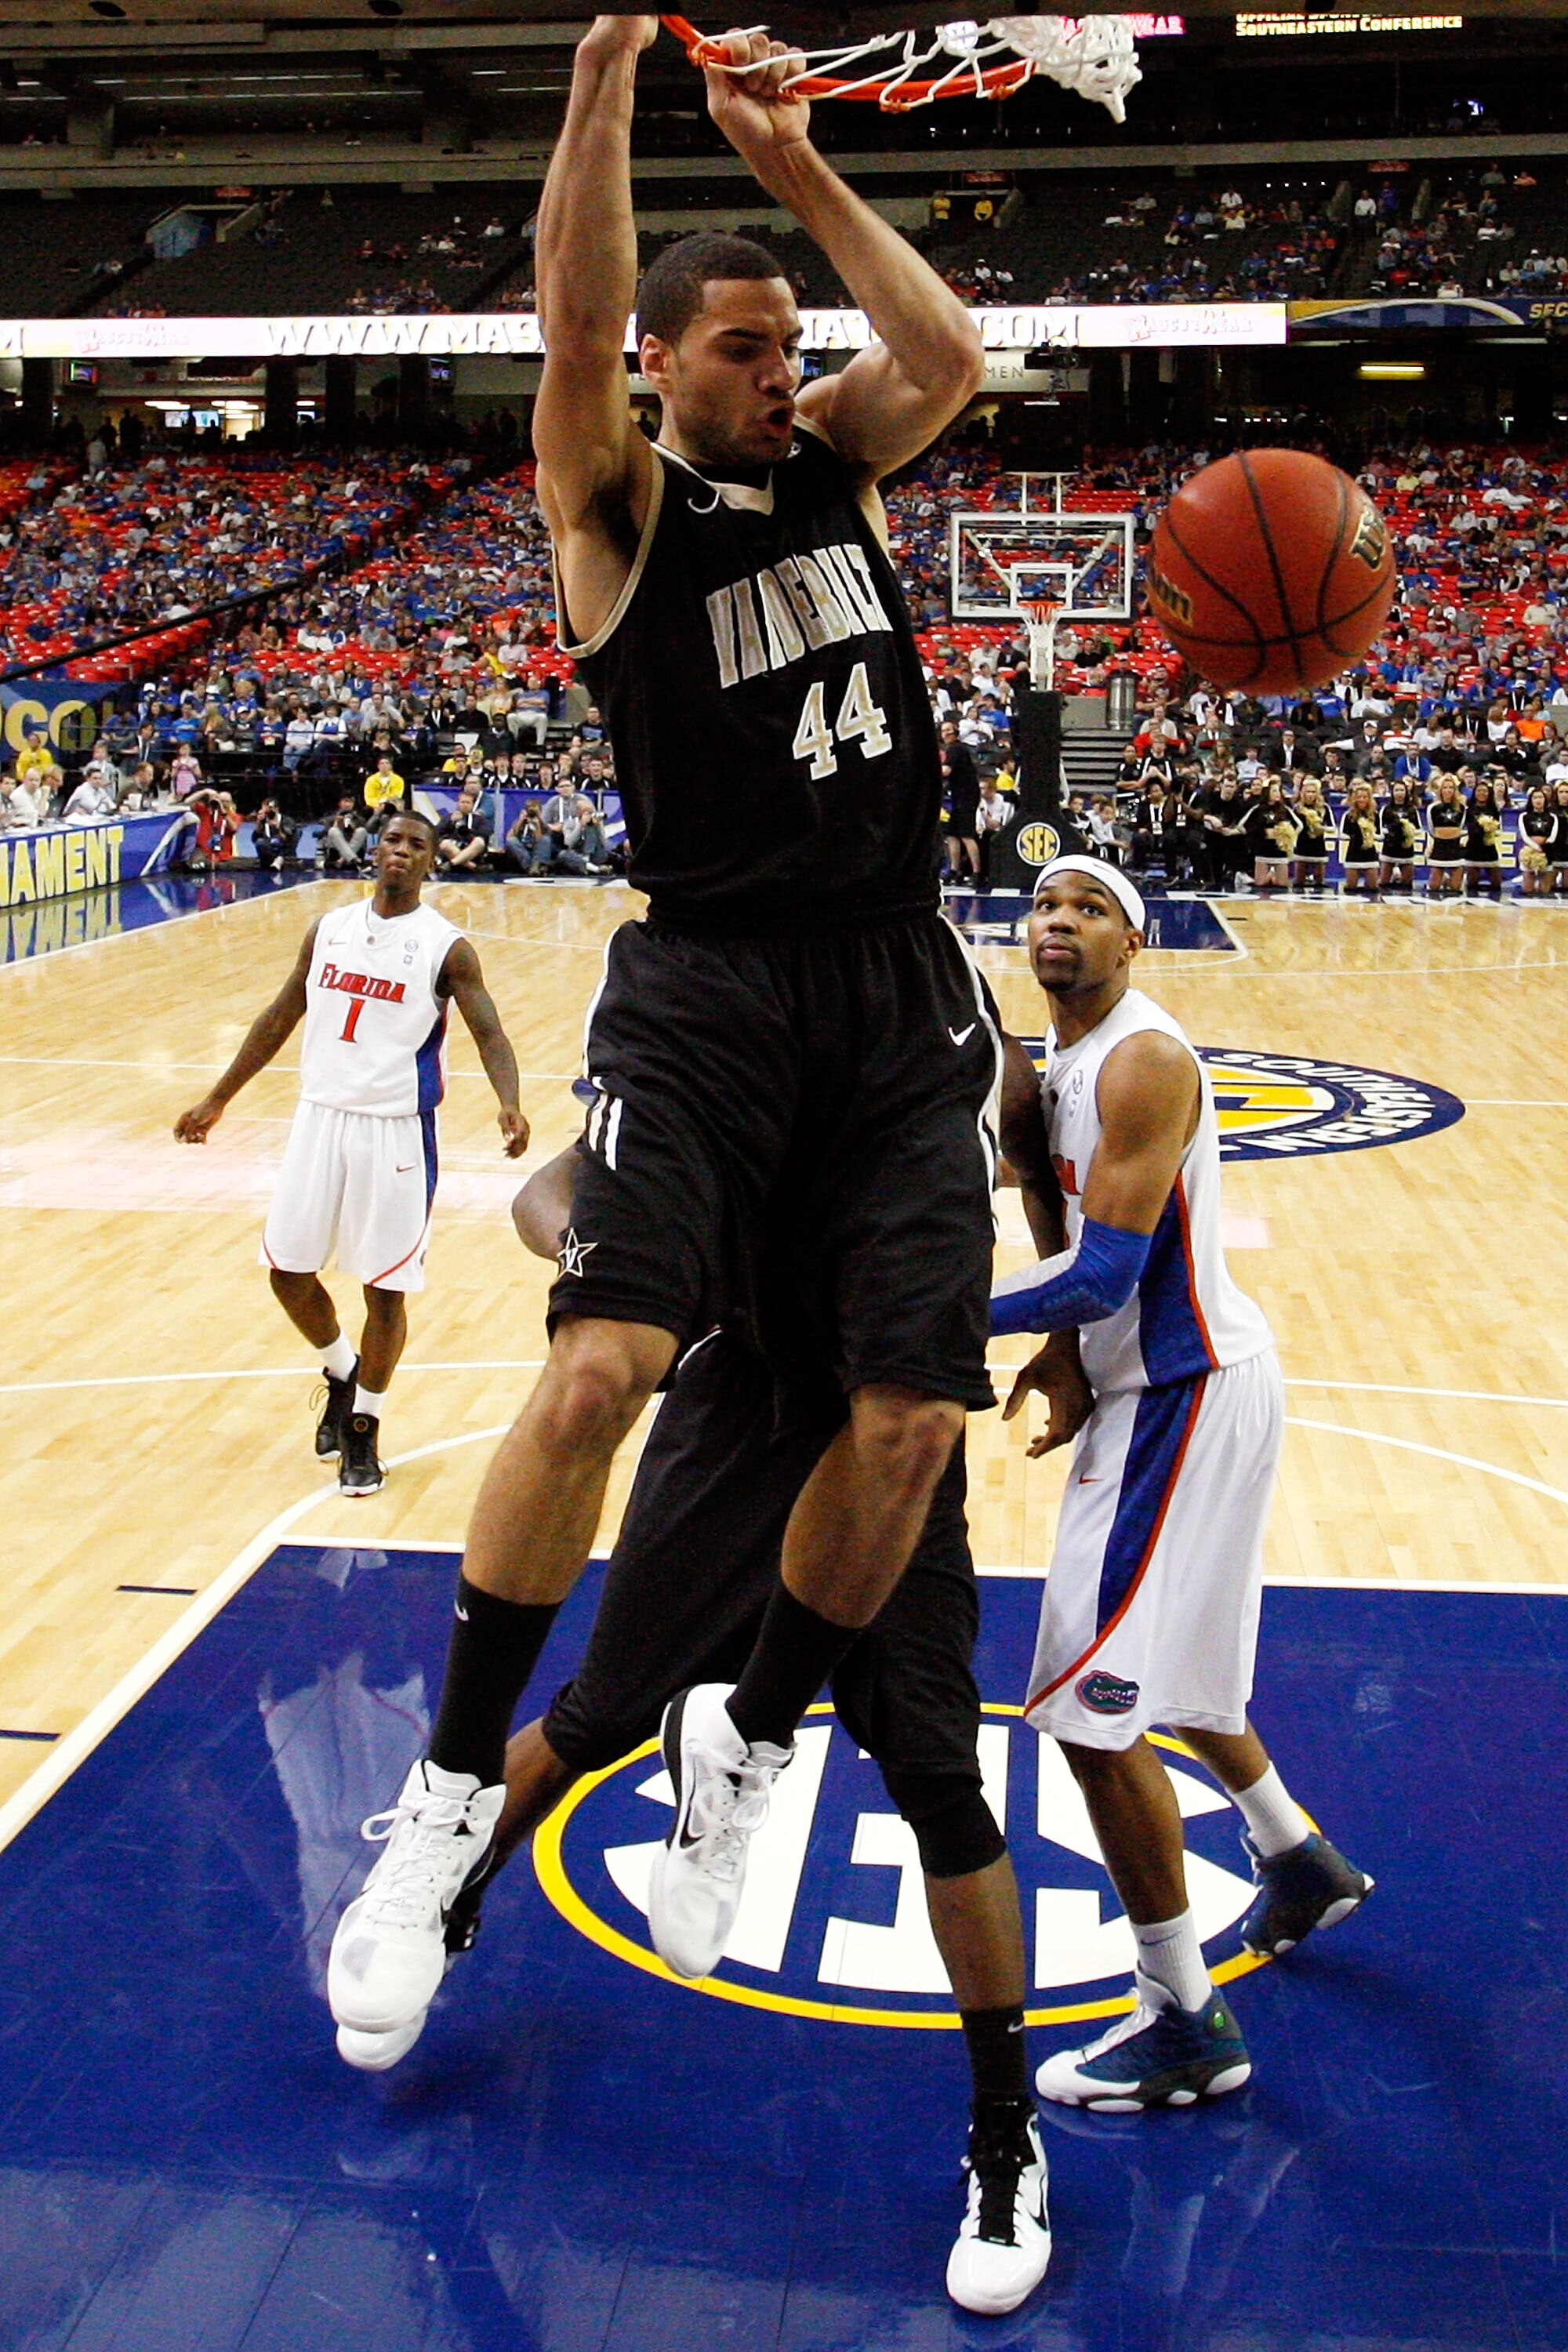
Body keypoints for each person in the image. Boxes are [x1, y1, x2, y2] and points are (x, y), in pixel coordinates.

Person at [328, 8, 1003, 2168]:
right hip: (705, 993)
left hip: (896, 996)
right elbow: (573, 296)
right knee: (601, 1367)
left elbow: (954, 354)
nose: (776, 373)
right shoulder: (616, 509)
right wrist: (613, 75)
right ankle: (447, 1797)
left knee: (908, 1422)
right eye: (737, 349)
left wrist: (791, 163)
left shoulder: (836, 466)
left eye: (782, 345)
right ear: (659, 369)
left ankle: (762, 1736)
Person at [334, 1128, 1054, 2316]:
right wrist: (618, 1265)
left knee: (940, 1777)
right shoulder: (745, 1020)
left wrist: (1069, 1332)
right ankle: (441, 1888)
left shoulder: (960, 1040)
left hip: (889, 1438)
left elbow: (1043, 1168)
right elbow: (554, 1187)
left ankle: (1005, 2135)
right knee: (596, 1715)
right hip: (736, 1413)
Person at [992, 856, 1373, 2110]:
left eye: (1092, 909)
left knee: (1089, 1715)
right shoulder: (1056, 1072)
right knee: (1177, 1670)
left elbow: (1103, 1276)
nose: (1062, 921)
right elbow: (1072, 1257)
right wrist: (1054, 1353)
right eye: (1047, 903)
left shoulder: (1144, 1061)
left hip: (1184, 1394)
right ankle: (1294, 1856)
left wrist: (924, 1316)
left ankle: (1184, 2019)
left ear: (1135, 943)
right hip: (1181, 1384)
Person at [173, 811, 528, 1497]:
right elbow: (279, 1015)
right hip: (318, 1118)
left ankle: (364, 1427)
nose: (401, 852)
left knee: (384, 1291)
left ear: (432, 862)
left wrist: (509, 1101)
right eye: (393, 840)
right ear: (376, 849)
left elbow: (490, 1031)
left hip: (396, 1131)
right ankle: (342, 1370)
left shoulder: (446, 947)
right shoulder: (329, 929)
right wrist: (219, 1098)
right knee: (287, 1272)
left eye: (416, 846)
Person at [941, 719, 981, 885]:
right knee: (951, 835)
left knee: (966, 835)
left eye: (949, 730)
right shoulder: (952, 749)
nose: (946, 734)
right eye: (944, 731)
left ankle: (977, 873)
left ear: (955, 732)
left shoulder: (956, 749)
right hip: (958, 797)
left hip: (967, 797)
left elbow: (946, 771)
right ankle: (954, 870)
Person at [1377, 775, 1421, 895]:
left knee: (1407, 882)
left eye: (1402, 790)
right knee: (1384, 881)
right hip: (1390, 847)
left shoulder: (1412, 809)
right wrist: (1390, 831)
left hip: (1406, 847)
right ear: (1392, 792)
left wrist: (1408, 831)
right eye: (1397, 790)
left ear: (1407, 792)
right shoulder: (1386, 809)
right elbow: (1379, 828)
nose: (1399, 793)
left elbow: (1419, 828)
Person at [1425, 775, 1466, 897]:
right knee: (1434, 887)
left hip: (1455, 848)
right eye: (1445, 788)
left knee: (1455, 888)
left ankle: (1452, 879)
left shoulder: (1462, 808)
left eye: (1451, 788)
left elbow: (1462, 827)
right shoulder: (1433, 808)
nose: (1448, 790)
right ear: (1440, 790)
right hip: (1440, 848)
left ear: (1455, 790)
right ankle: (1442, 878)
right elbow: (1431, 829)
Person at [1464, 775, 1504, 898]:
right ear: (1474, 793)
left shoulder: (1494, 809)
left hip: (1489, 846)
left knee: (1496, 882)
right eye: (1479, 791)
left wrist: (1490, 827)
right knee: (1472, 882)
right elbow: (1467, 827)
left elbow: (1498, 827)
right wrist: (1480, 826)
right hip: (1473, 846)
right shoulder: (1468, 809)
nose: (1482, 793)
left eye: (1485, 791)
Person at [435, 785, 491, 874]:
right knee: (445, 844)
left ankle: (452, 864)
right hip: (454, 848)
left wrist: (468, 833)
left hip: (472, 849)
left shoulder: (480, 819)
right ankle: (474, 867)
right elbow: (436, 832)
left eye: (468, 803)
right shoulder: (449, 817)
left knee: (479, 842)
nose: (465, 805)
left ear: (473, 805)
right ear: (458, 804)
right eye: (463, 802)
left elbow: (485, 835)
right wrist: (450, 822)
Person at [1290, 777, 1331, 891]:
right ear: (1303, 793)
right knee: (1298, 882)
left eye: (1313, 792)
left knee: (1320, 882)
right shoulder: (1297, 809)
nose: (1311, 795)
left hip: (1318, 844)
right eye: (1308, 792)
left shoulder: (1324, 808)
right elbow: (1291, 827)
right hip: (1302, 843)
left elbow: (1332, 827)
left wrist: (1321, 828)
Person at [1340, 782, 1380, 897]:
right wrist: (1355, 835)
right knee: (1351, 887)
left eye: (1365, 797)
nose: (1362, 800)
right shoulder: (1349, 815)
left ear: (1369, 798)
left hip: (1370, 853)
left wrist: (1370, 834)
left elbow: (1380, 834)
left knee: (1373, 887)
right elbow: (1342, 834)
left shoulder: (1375, 815)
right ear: (1354, 798)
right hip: (1353, 852)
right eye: (1359, 797)